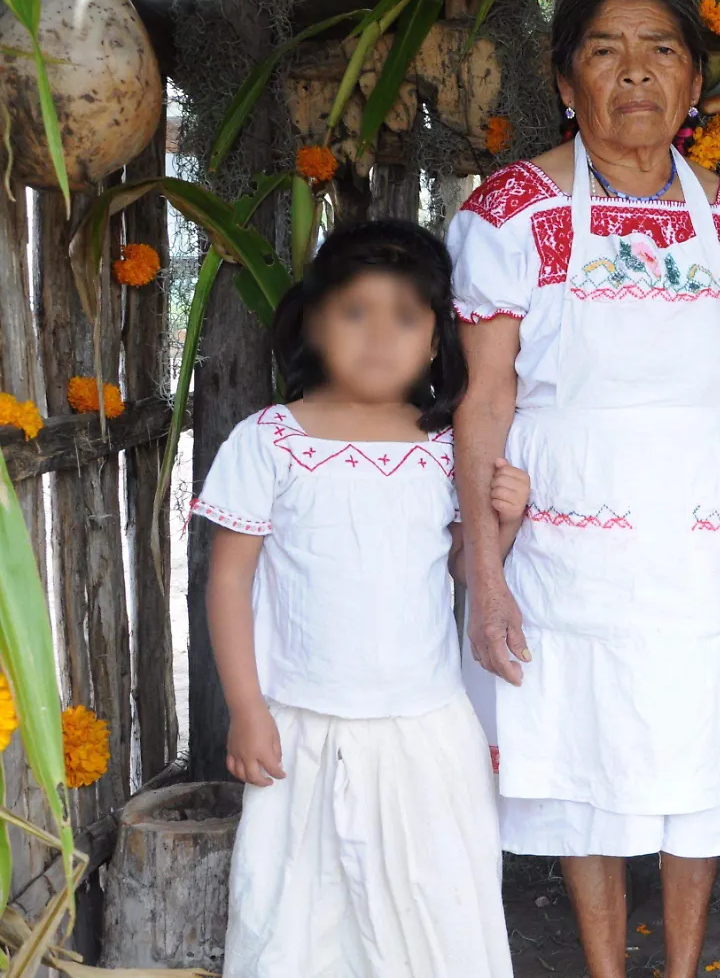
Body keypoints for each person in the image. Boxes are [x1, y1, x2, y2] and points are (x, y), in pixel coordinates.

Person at [449, 0, 720, 978]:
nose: (635, 74)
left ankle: (681, 968)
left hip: (718, 544)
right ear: (564, 79)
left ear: (694, 84)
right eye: (606, 51)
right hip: (575, 539)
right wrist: (485, 571)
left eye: (660, 51)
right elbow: (484, 400)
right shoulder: (511, 213)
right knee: (581, 755)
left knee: (700, 758)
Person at [196, 221, 524, 977]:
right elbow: (229, 579)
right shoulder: (269, 441)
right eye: (355, 312)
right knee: (302, 917)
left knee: (437, 906)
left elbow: (466, 574)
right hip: (305, 726)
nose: (379, 335)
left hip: (425, 727)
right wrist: (247, 709)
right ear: (313, 321)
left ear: (437, 340)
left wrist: (501, 522)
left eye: (405, 318)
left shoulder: (447, 447)